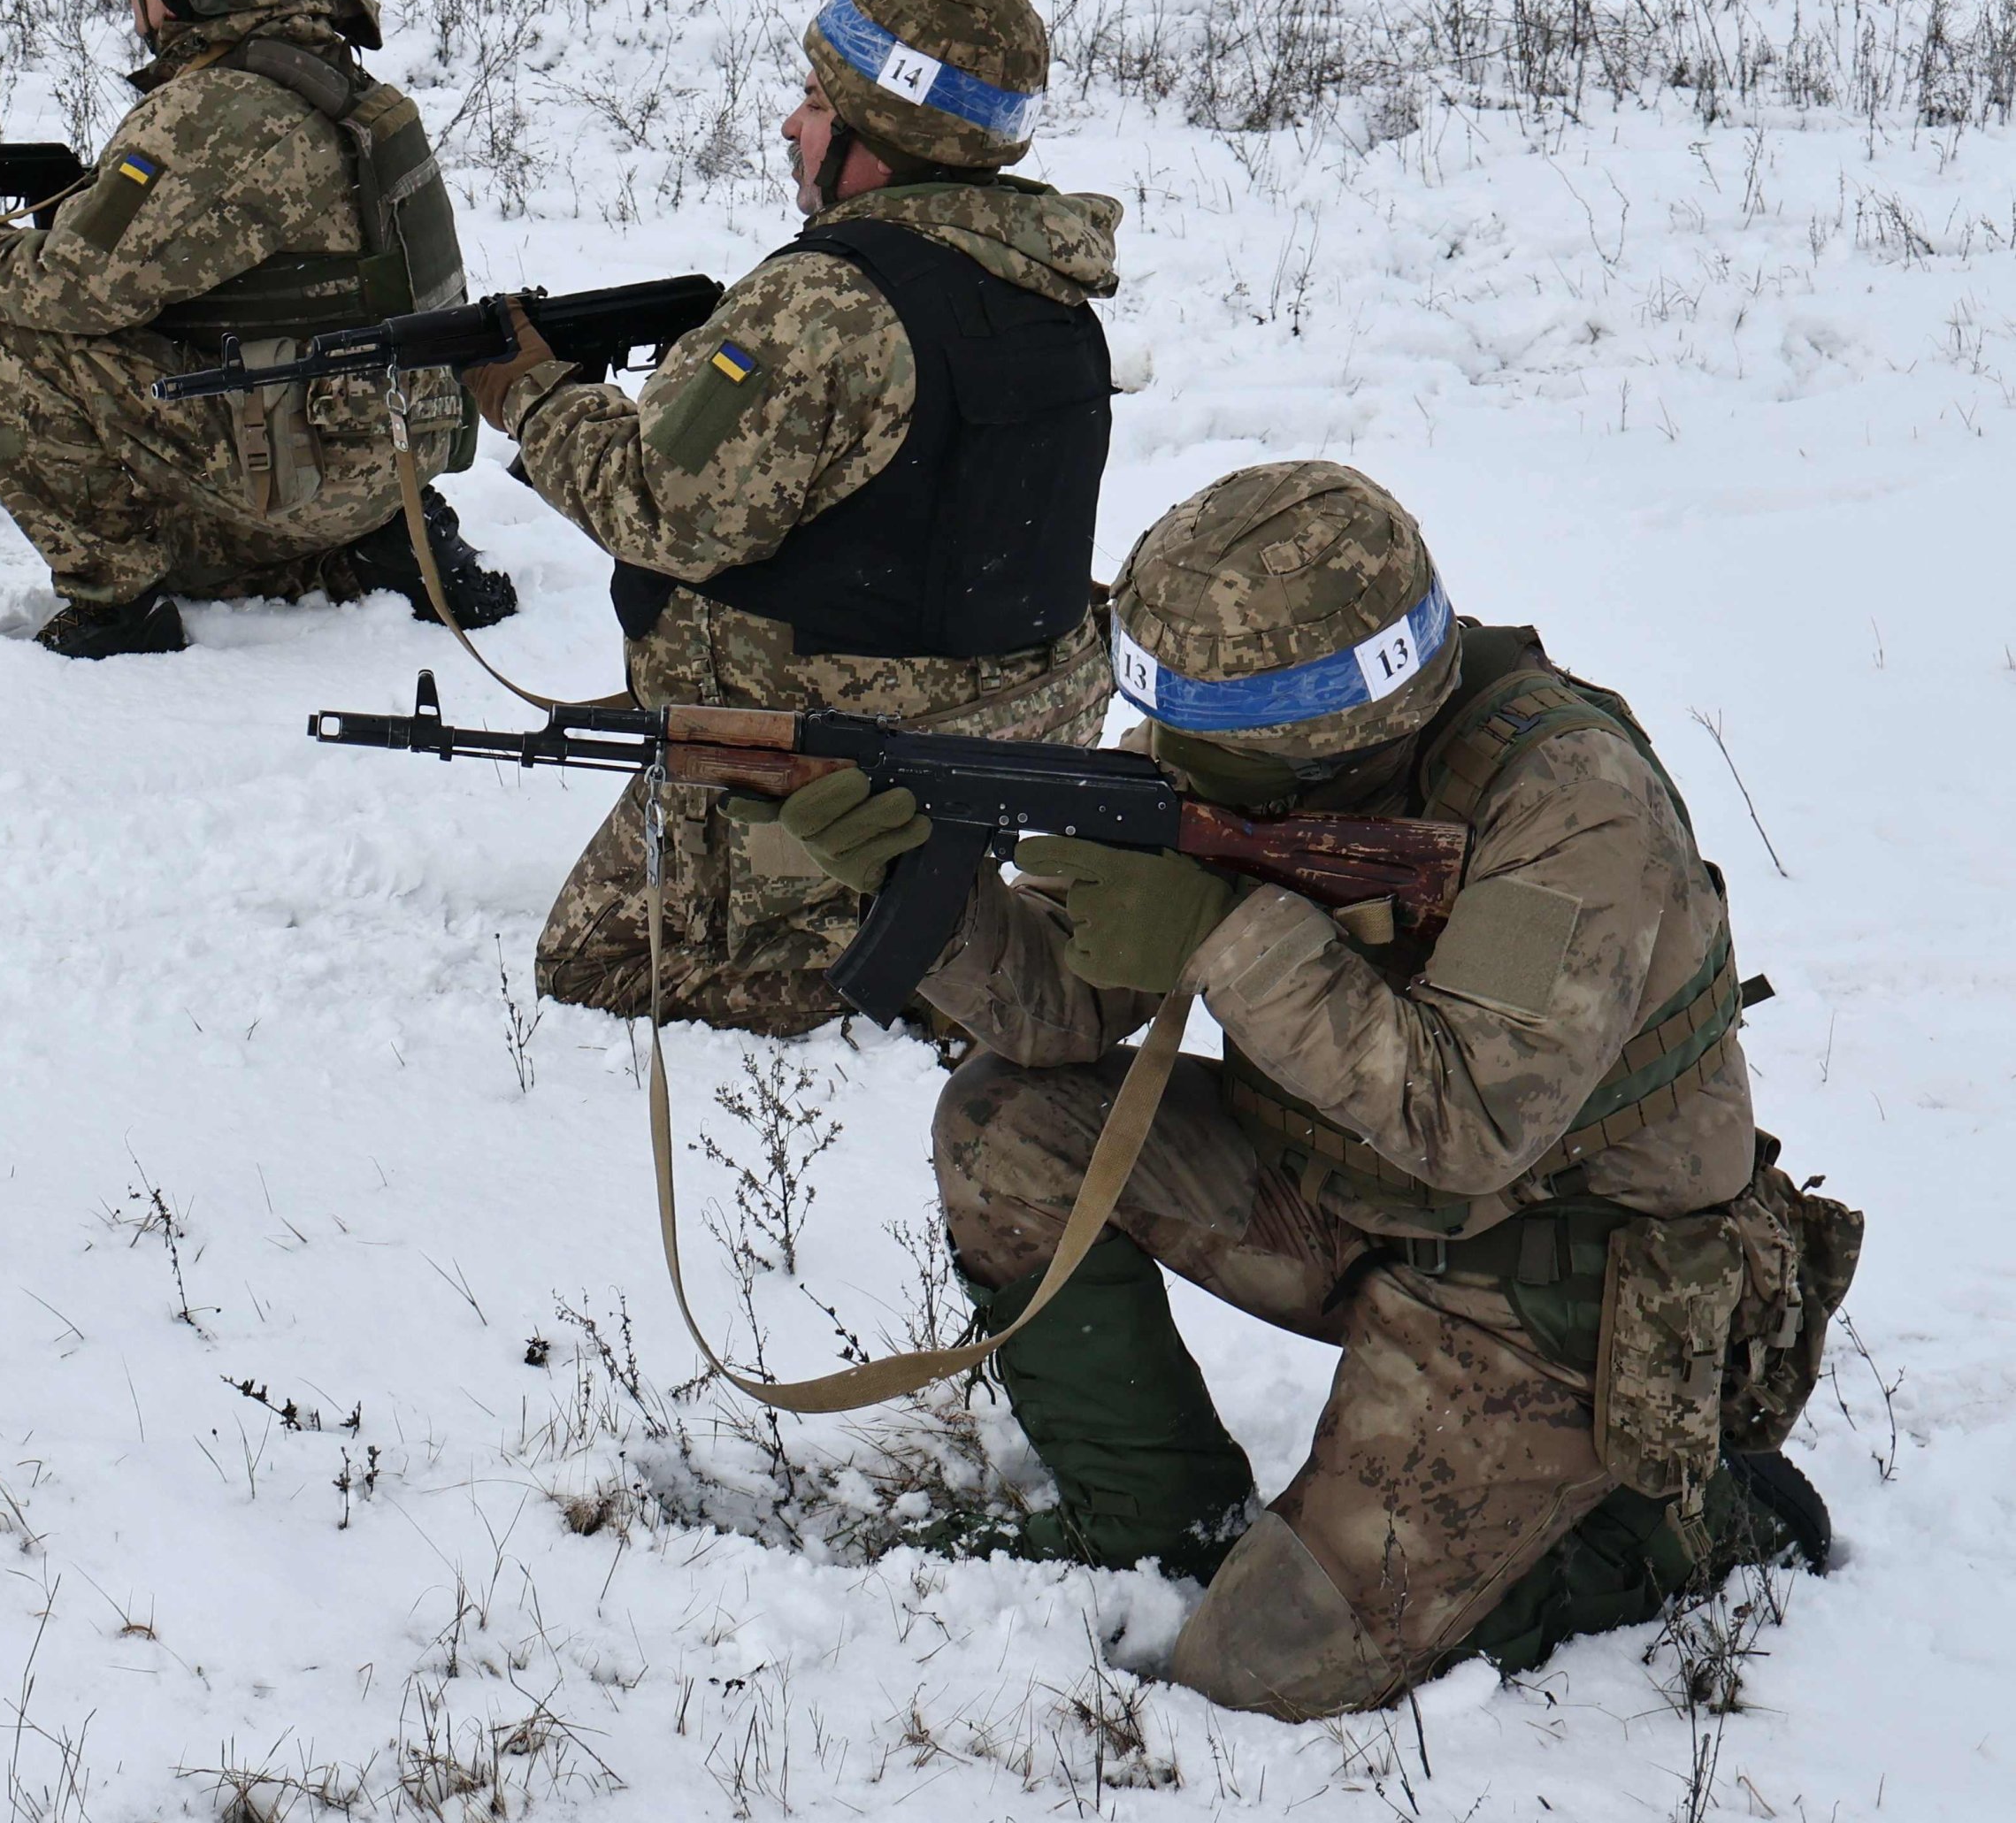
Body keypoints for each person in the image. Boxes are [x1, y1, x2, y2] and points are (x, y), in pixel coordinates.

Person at [768, 461, 1851, 1717]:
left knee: (1255, 1668)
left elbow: (1472, 1124)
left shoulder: (1564, 803)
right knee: (1007, 1123)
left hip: (1557, 1288)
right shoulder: (1236, 769)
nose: (1158, 752)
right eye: (1157, 716)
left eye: (1194, 734)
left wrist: (1223, 939)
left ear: (1315, 732)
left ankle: (1679, 1531)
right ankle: (1154, 1526)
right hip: (1347, 1193)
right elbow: (1052, 1014)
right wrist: (923, 889)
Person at [460, 0, 1115, 1028]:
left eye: (816, 100)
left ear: (884, 130)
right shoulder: (1045, 276)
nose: (790, 126)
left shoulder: (824, 302)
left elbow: (658, 512)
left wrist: (530, 394)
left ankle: (905, 979)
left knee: (601, 963)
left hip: (841, 752)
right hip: (1017, 723)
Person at [0, 0, 512, 659]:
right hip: (398, 441)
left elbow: (71, 291)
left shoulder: (214, 112)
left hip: (321, 465)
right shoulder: (332, 78)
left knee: (25, 352)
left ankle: (116, 606)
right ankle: (371, 538)